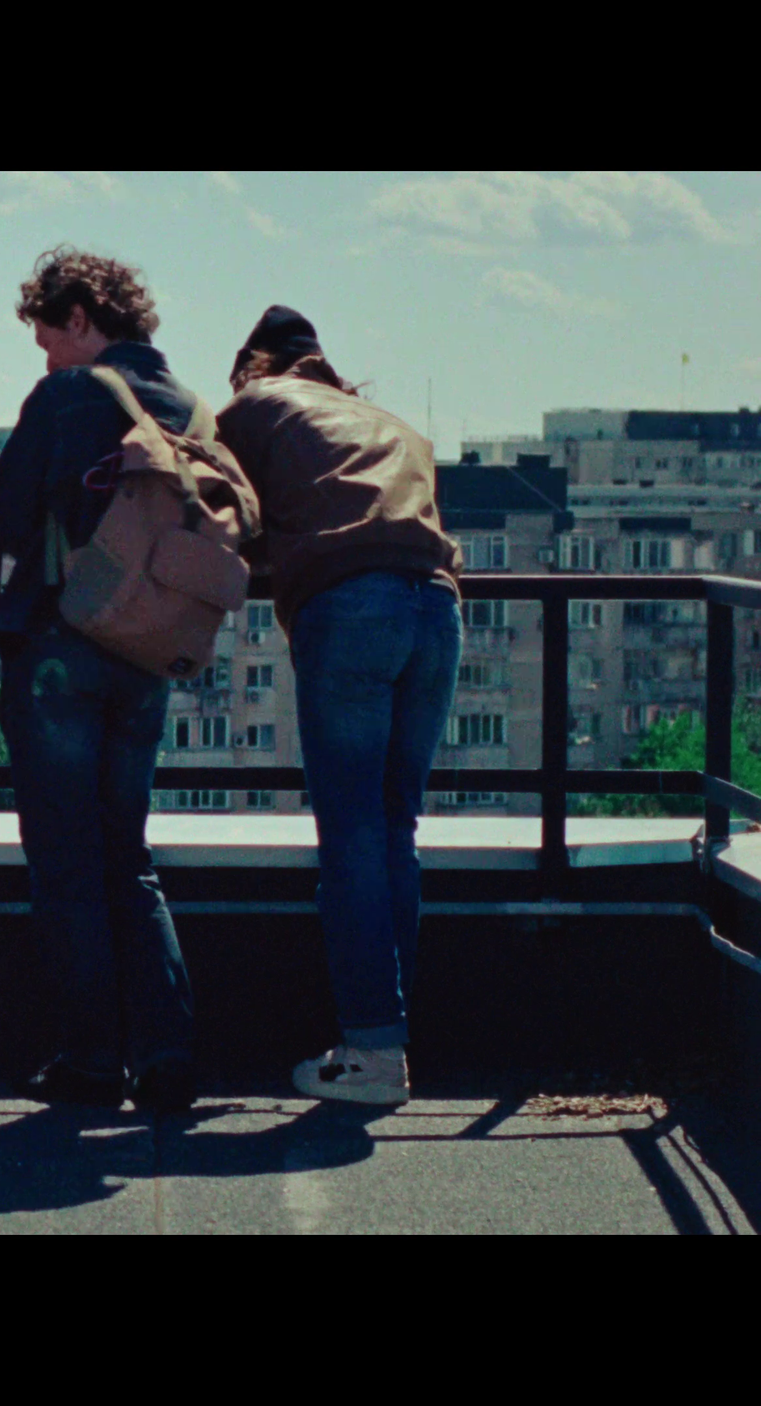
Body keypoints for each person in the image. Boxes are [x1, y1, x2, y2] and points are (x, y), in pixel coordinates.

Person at [218, 306, 462, 1107]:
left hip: (352, 608)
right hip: (437, 607)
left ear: (254, 365)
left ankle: (371, 1053)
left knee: (352, 834)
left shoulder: (257, 406)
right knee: (395, 828)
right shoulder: (385, 422)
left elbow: (216, 511)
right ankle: (387, 1039)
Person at [0, 246, 202, 1115]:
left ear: (79, 319)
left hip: (61, 653)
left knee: (66, 862)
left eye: (47, 338)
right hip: (149, 653)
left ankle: (87, 1059)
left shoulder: (72, 394)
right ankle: (166, 1053)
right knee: (128, 855)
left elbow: (2, 516)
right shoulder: (189, 406)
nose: (44, 357)